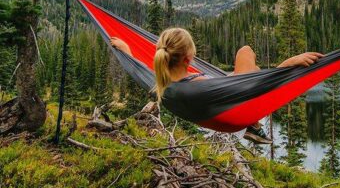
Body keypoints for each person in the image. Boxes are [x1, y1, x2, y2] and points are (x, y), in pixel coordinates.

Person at [110, 28, 323, 144]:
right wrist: (288, 65)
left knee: (252, 67)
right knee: (245, 51)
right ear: (188, 58)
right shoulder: (199, 86)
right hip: (231, 114)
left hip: (215, 103)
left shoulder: (160, 81)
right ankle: (254, 125)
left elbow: (138, 68)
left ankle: (255, 126)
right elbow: (255, 89)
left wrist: (126, 50)